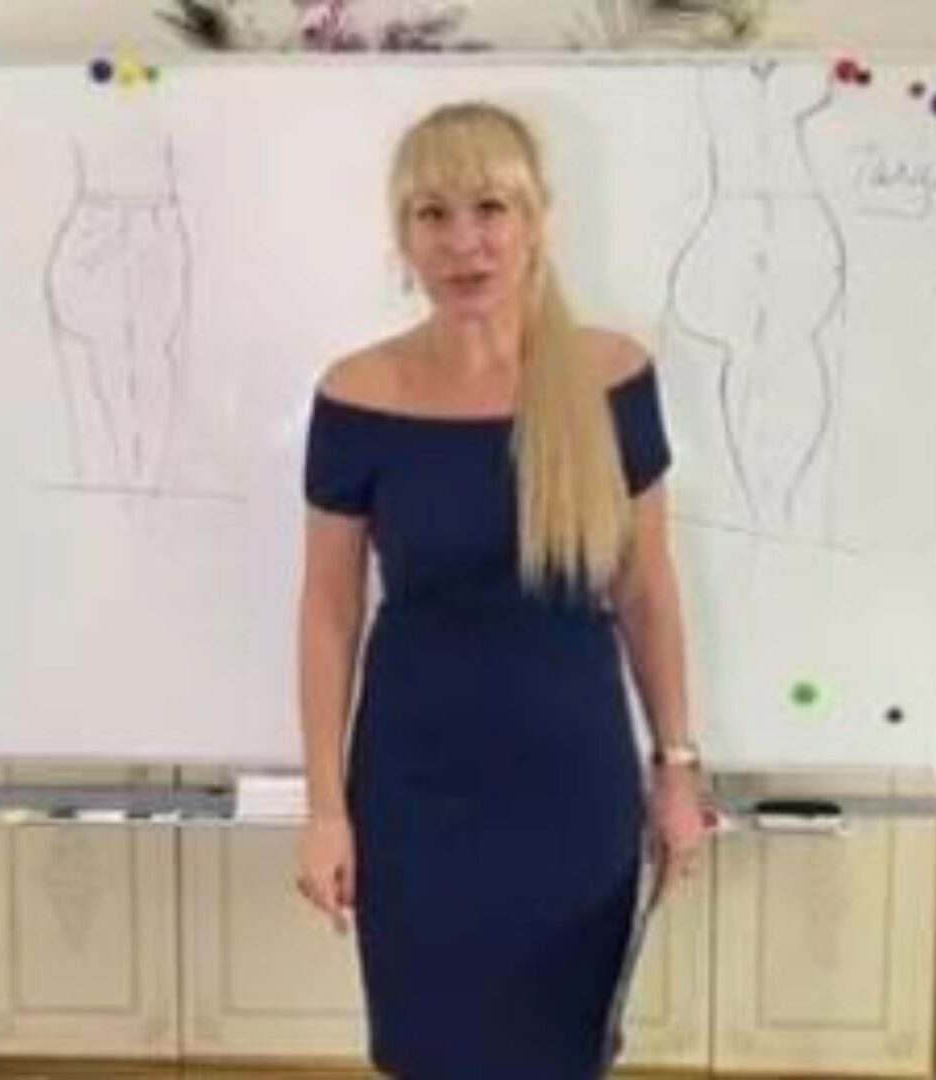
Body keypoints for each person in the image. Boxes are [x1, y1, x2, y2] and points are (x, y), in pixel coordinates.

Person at [296, 101, 710, 1080]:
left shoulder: (611, 377)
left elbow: (646, 588)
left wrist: (677, 769)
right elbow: (328, 613)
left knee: (560, 1050)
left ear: (536, 220)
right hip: (414, 790)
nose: (464, 242)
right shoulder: (356, 395)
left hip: (574, 785)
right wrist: (325, 809)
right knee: (429, 1048)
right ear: (403, 237)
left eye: (490, 208)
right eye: (432, 214)